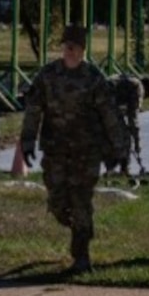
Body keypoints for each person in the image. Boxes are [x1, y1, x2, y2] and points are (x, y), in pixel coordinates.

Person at [19, 24, 128, 273]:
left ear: (82, 50)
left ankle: (81, 255)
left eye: (75, 47)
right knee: (57, 202)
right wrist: (27, 141)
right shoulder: (48, 76)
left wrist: (119, 149)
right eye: (67, 47)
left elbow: (109, 115)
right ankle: (78, 228)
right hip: (56, 151)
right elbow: (34, 110)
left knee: (81, 200)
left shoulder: (93, 79)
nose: (70, 51)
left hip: (86, 152)